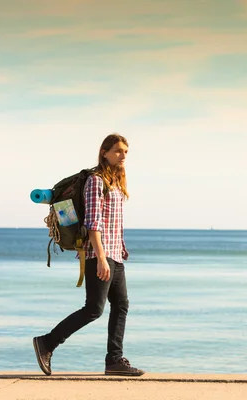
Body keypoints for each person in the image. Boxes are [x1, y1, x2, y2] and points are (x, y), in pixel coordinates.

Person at [33, 133, 144, 376]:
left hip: (114, 253)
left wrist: (119, 248)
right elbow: (94, 223)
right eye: (117, 150)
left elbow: (113, 221)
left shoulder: (115, 182)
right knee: (94, 308)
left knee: (121, 305)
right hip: (99, 254)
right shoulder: (96, 180)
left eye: (125, 151)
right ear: (104, 153)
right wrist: (101, 258)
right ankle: (47, 343)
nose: (122, 155)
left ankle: (114, 360)